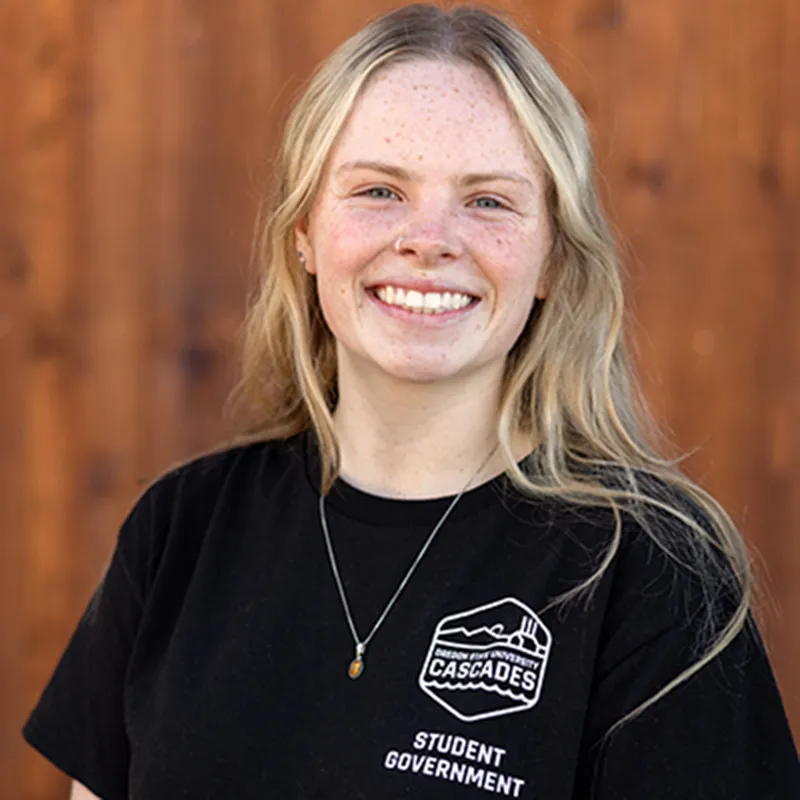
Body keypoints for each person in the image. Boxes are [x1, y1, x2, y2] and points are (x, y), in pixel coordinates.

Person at [23, 4, 799, 799]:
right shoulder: (179, 533)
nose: (429, 239)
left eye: (488, 201)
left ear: (553, 263)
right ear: (304, 232)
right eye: (379, 190)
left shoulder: (649, 569)